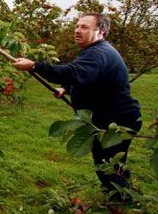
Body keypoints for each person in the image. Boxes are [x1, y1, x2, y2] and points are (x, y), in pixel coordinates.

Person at [12, 12, 142, 200]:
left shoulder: (99, 52)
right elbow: (86, 77)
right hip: (106, 120)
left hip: (116, 123)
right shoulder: (93, 51)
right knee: (109, 165)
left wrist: (34, 66)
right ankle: (119, 200)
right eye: (77, 26)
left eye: (85, 27)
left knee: (110, 167)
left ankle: (125, 209)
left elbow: (71, 72)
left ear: (100, 32)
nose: (78, 31)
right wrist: (66, 89)